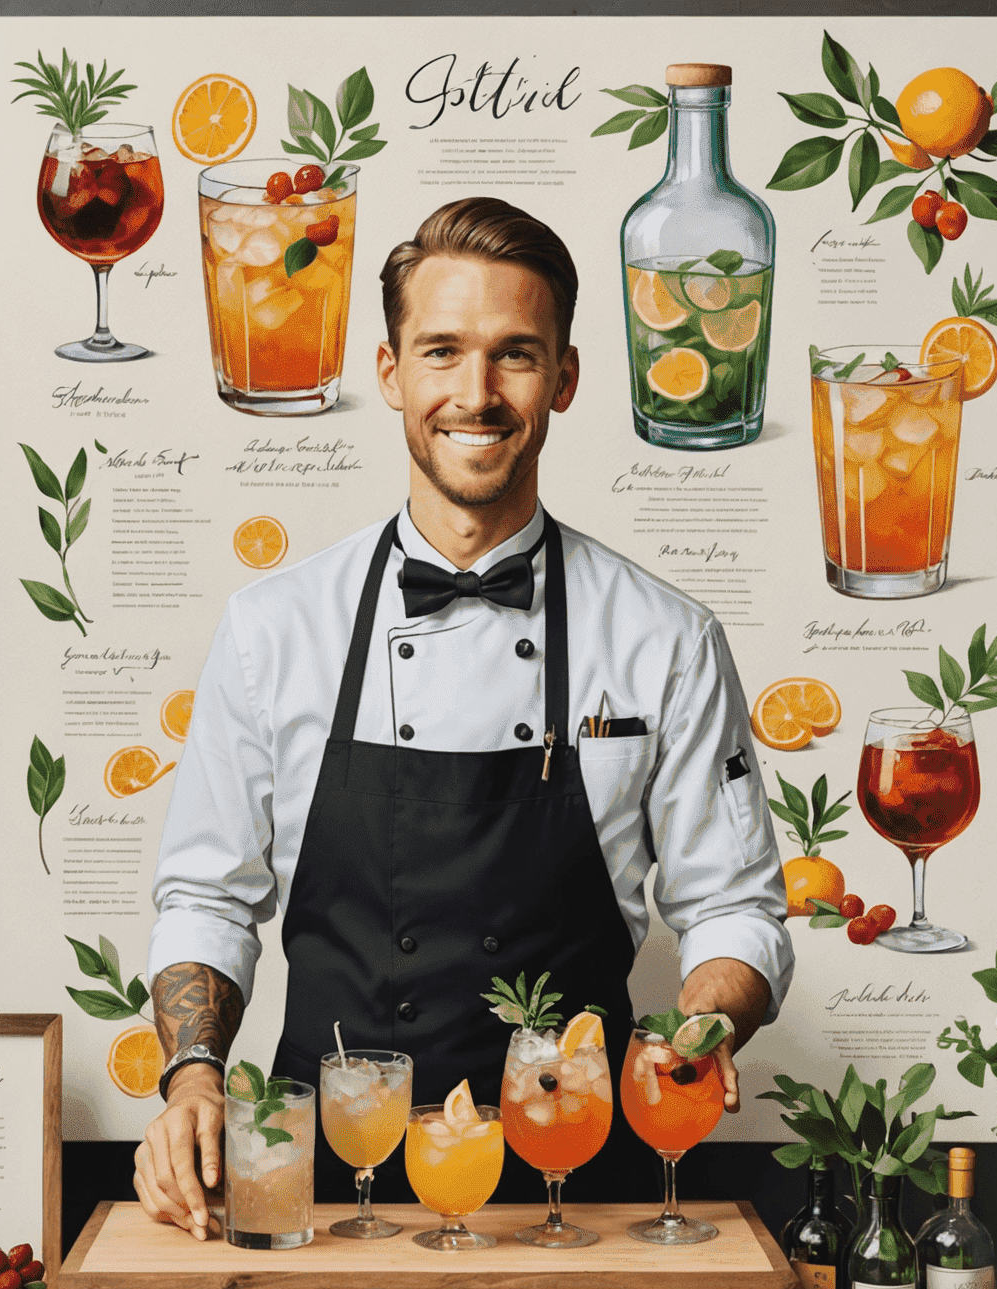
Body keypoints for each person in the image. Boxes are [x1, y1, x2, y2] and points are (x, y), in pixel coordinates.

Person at [135, 197, 792, 1235]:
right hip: (315, 1182)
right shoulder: (274, 628)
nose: (475, 394)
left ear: (566, 379)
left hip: (574, 1190)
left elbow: (738, 910)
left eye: (516, 355)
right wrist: (191, 1081)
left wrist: (700, 1027)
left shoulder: (667, 637)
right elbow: (208, 899)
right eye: (441, 351)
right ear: (391, 373)